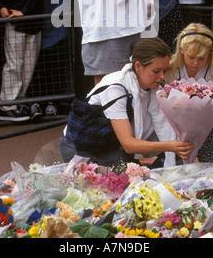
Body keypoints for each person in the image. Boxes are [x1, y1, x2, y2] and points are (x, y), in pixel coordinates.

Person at [60, 37, 195, 167]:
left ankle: (144, 163)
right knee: (124, 170)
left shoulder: (155, 88)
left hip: (111, 146)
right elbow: (128, 144)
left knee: (171, 160)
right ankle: (143, 163)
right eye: (156, 71)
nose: (162, 76)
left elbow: (183, 102)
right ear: (138, 66)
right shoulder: (115, 89)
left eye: (164, 71)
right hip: (78, 147)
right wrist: (170, 146)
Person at [167, 23, 213, 163]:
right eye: (191, 57)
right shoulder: (171, 70)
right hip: (175, 122)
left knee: (207, 162)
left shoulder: (212, 72)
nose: (195, 63)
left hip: (204, 122)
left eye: (201, 58)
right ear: (182, 50)